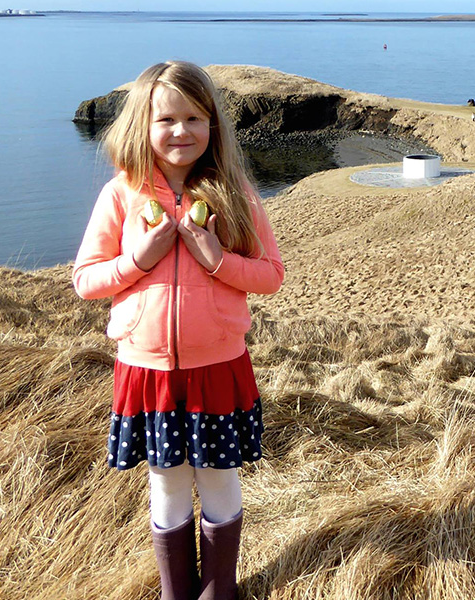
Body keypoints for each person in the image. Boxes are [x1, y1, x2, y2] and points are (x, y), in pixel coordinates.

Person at [73, 61, 285, 600]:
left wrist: (216, 260)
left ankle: (219, 592)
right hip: (147, 370)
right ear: (142, 125)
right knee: (165, 481)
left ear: (213, 125)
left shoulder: (234, 190)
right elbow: (85, 280)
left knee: (218, 477)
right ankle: (176, 592)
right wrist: (138, 260)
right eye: (166, 118)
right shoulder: (121, 195)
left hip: (218, 365)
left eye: (195, 117)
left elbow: (271, 275)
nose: (181, 131)